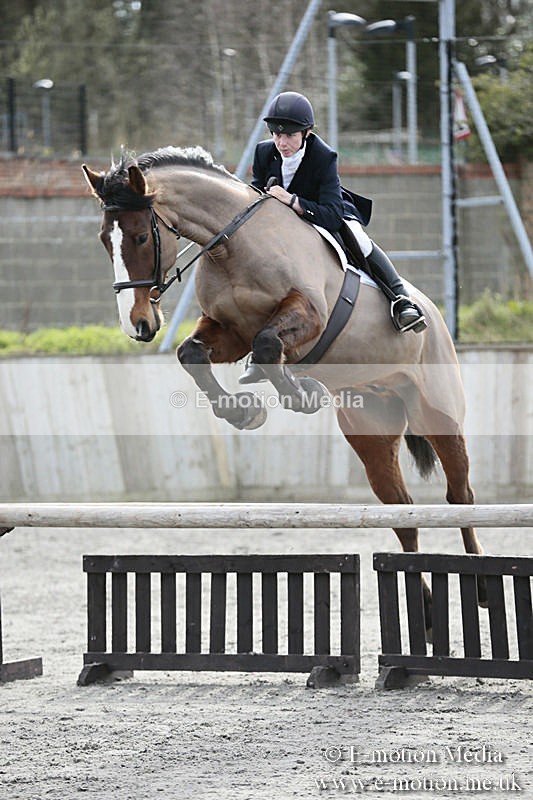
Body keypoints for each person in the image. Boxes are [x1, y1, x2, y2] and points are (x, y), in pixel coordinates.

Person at [239, 90, 426, 384]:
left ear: (306, 132)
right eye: (276, 134)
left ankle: (401, 300)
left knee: (358, 238)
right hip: (280, 219)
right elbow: (256, 191)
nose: (281, 142)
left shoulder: (323, 157)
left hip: (326, 210)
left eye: (288, 135)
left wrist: (291, 201)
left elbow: (331, 214)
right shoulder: (265, 152)